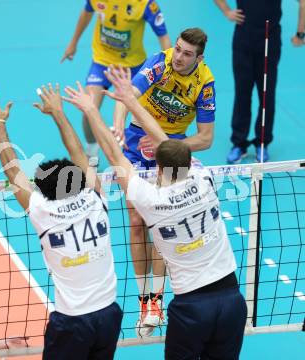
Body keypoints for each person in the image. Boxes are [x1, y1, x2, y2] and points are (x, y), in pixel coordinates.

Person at [63, 67, 247, 359]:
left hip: (192, 308)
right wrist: (132, 103)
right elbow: (166, 143)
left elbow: (114, 153)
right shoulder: (203, 179)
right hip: (232, 300)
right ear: (189, 162)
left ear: (158, 168)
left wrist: (91, 109)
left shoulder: (150, 199)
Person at [0, 84, 122, 359]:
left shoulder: (42, 210)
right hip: (109, 314)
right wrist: (58, 112)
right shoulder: (95, 197)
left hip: (72, 322)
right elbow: (78, 152)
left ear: (43, 189)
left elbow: (12, 169)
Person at [111, 27, 216, 336]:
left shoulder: (204, 84)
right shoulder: (160, 63)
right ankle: (143, 300)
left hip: (173, 149)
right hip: (133, 140)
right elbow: (126, 94)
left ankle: (156, 300)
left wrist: (167, 145)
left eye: (187, 53)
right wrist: (118, 126)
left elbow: (206, 139)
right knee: (134, 220)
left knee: (160, 223)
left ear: (199, 57)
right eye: (178, 49)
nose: (179, 57)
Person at [61, 0, 171, 167]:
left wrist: (168, 70)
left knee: (142, 114)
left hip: (134, 67)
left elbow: (164, 38)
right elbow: (86, 13)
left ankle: (149, 153)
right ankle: (91, 150)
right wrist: (73, 42)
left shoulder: (145, 4)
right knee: (87, 109)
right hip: (102, 62)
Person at [214, 0, 305, 163]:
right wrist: (227, 11)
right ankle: (239, 143)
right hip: (243, 41)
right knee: (242, 93)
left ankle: (262, 143)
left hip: (269, 41)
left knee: (266, 94)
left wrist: (300, 34)